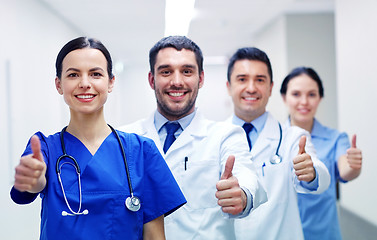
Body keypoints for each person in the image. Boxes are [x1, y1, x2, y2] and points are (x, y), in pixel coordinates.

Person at [10, 37, 186, 240]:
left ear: (110, 82)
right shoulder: (45, 148)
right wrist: (32, 179)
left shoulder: (142, 151)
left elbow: (154, 236)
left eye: (95, 74)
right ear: (59, 84)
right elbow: (32, 185)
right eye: (73, 74)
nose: (85, 84)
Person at [119, 36, 267, 240]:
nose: (177, 82)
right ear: (152, 80)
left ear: (201, 78)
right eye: (166, 71)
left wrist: (241, 194)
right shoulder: (123, 139)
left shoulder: (226, 135)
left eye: (187, 71)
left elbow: (248, 177)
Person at [225, 47, 331, 240]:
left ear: (271, 88)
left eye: (260, 80)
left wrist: (311, 172)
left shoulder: (293, 137)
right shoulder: (214, 138)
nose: (251, 88)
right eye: (242, 79)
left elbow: (321, 177)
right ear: (228, 86)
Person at [280, 66, 362, 240]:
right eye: (296, 94)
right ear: (284, 97)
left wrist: (353, 166)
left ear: (320, 98)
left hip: (323, 233)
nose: (304, 102)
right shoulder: (274, 139)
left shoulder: (336, 138)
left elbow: (345, 170)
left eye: (311, 94)